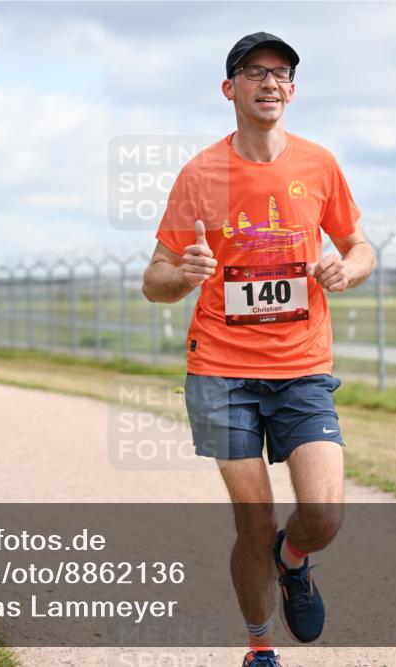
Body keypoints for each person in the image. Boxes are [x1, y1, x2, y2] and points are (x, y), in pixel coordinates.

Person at [141, 32, 375, 667]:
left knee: (322, 516)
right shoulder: (200, 175)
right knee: (254, 520)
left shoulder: (319, 165)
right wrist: (183, 274)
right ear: (230, 89)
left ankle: (292, 561)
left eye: (282, 73)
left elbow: (361, 247)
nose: (270, 81)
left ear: (291, 91)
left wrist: (348, 269)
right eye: (254, 71)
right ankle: (260, 647)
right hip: (221, 370)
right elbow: (154, 280)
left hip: (302, 367)